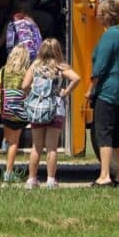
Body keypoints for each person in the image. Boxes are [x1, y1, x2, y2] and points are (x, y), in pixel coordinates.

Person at [86, 0, 119, 188]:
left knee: (103, 133)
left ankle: (104, 175)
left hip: (107, 90)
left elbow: (100, 67)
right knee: (118, 134)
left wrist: (90, 90)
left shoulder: (108, 37)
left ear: (105, 16)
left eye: (99, 12)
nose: (96, 15)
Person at [23, 38, 80, 189]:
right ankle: (50, 180)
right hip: (56, 108)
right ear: (57, 50)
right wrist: (65, 92)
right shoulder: (60, 67)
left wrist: (34, 96)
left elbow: (24, 85)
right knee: (52, 147)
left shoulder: (35, 66)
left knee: (36, 146)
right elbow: (76, 78)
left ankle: (32, 179)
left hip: (37, 110)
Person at [0, 44, 31, 183]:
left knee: (10, 139)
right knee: (15, 143)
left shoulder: (3, 71)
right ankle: (8, 173)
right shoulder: (26, 73)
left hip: (5, 110)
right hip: (19, 112)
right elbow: (28, 90)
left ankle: (5, 142)